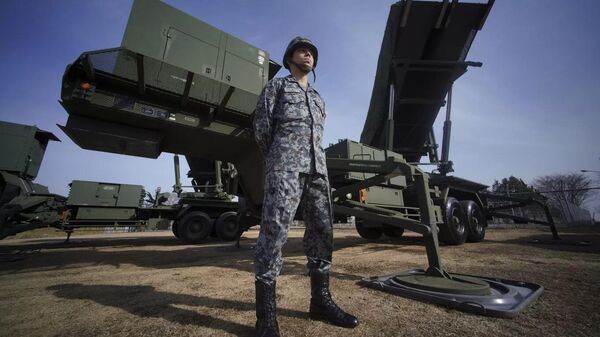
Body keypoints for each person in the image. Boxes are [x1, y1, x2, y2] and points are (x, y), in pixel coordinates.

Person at [252, 36, 359, 337]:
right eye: (303, 50)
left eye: (312, 52)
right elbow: (262, 129)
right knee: (274, 233)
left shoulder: (318, 98)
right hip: (285, 167)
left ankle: (320, 302)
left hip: (318, 171)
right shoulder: (277, 87)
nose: (309, 54)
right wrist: (279, 158)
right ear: (289, 58)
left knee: (323, 231)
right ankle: (266, 319)